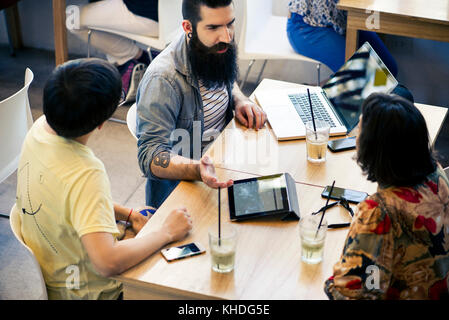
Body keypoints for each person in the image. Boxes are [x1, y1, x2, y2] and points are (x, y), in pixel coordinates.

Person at [14, 58, 192, 300]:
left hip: (59, 271)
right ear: (101, 124)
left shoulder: (38, 129)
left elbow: (69, 200)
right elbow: (107, 263)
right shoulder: (85, 173)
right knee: (186, 280)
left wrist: (127, 214)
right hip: (91, 293)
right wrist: (166, 233)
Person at [136, 0, 267, 208]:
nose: (227, 37)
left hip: (225, 160)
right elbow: (150, 156)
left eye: (230, 23)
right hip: (185, 189)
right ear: (188, 27)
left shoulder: (211, 46)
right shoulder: (162, 79)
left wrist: (239, 98)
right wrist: (198, 169)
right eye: (213, 27)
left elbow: (224, 78)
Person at [324, 93, 449, 300]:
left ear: (373, 148)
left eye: (360, 131)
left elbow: (352, 293)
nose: (356, 136)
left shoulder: (379, 211)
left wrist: (331, 282)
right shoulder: (436, 175)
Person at [69, 0, 159, 103]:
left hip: (146, 13)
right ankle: (135, 60)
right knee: (97, 13)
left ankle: (133, 59)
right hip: (172, 19)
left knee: (72, 16)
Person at [286, 0, 398, 77]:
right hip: (308, 26)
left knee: (389, 70)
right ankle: (326, 94)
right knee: (370, 79)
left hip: (343, 19)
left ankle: (328, 88)